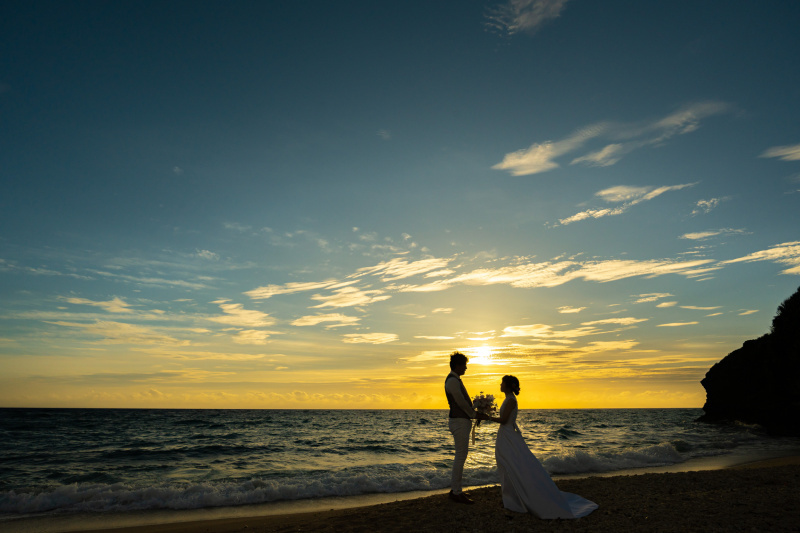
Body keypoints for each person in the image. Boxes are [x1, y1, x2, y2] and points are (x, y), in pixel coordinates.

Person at [487, 375, 598, 518]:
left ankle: (516, 499)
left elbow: (503, 420)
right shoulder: (508, 399)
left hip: (508, 436)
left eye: (502, 383)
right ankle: (512, 497)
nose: (500, 385)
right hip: (506, 435)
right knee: (506, 465)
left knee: (510, 465)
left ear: (508, 386)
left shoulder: (510, 400)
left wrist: (487, 417)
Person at [444, 351, 487, 504]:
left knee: (461, 456)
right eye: (464, 365)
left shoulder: (455, 380)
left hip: (461, 421)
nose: (466, 368)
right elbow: (461, 402)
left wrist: (478, 407)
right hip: (459, 422)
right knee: (460, 456)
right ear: (457, 365)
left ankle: (456, 490)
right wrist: (475, 414)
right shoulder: (452, 381)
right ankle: (456, 492)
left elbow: (464, 402)